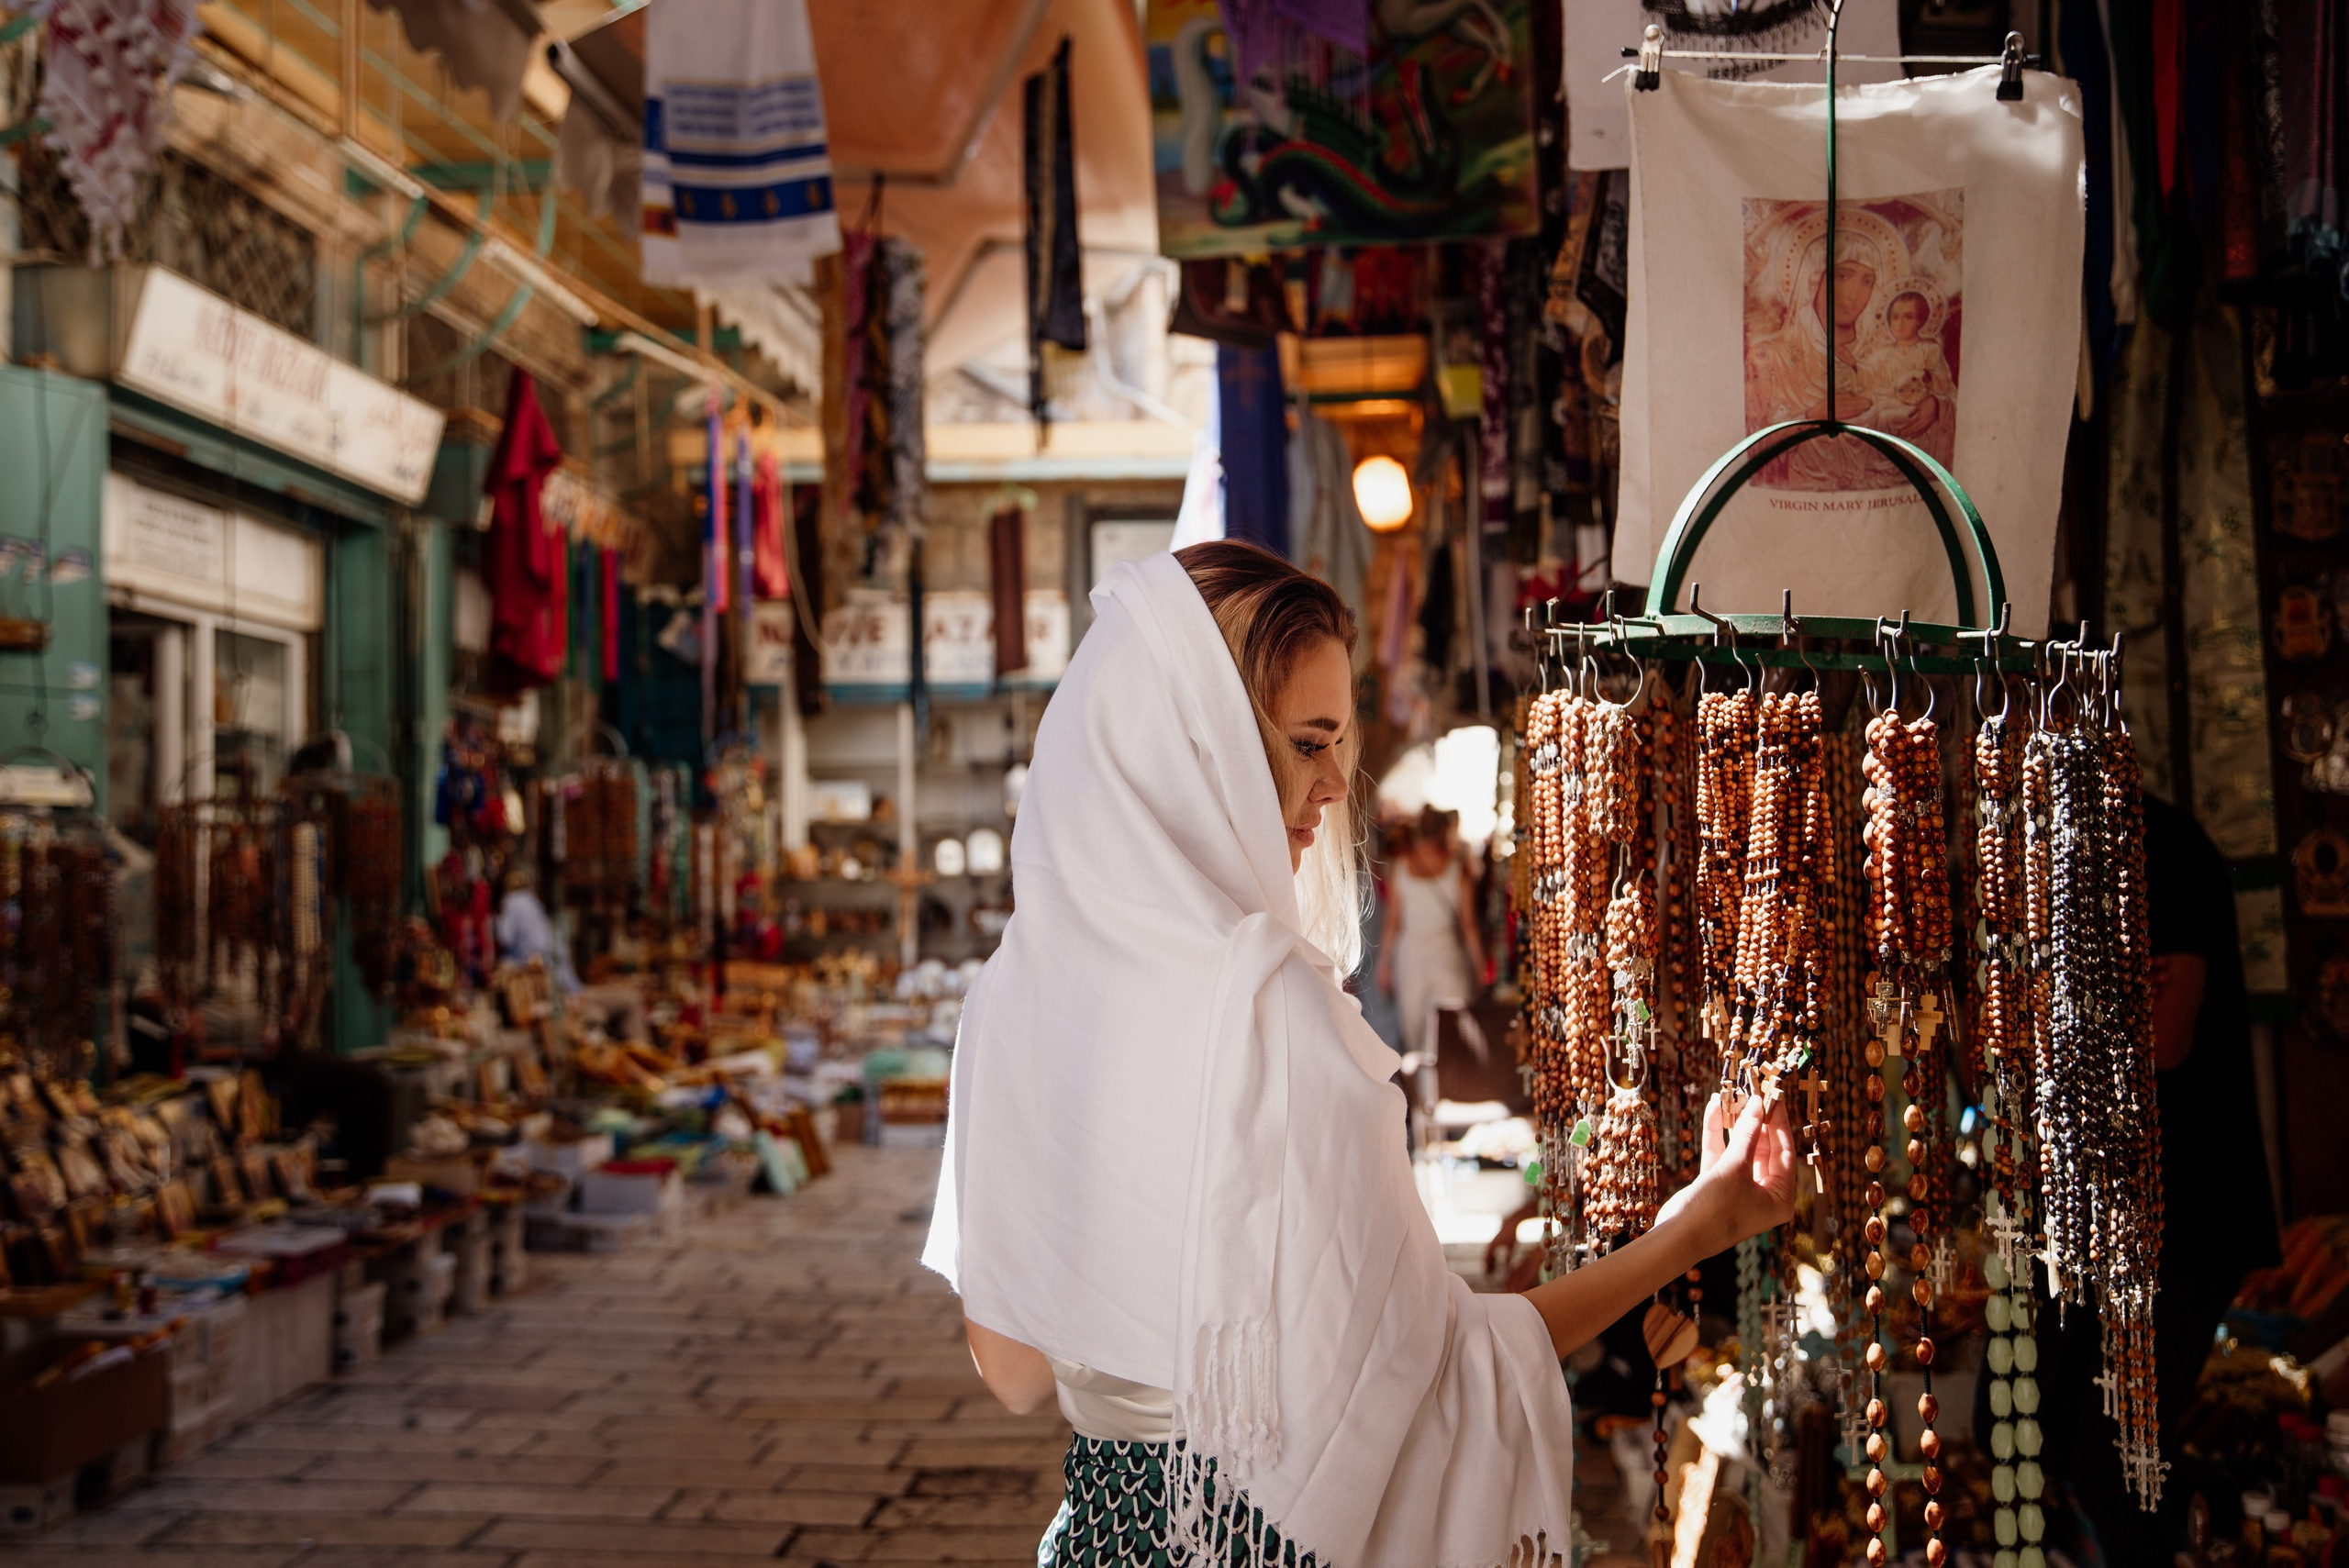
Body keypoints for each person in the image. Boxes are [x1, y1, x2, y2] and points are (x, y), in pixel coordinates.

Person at [924, 540, 1797, 1566]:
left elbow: (1019, 1370)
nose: (1338, 782)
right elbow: (1445, 1368)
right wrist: (1693, 1228)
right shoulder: (1271, 1017)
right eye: (1305, 743)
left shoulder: (1008, 1005)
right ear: (1196, 751)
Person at [2030, 795, 2280, 1562]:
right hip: (2106, 1218)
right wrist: (2106, 998)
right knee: (2047, 1434)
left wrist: (2066, 1010)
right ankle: (2221, 1520)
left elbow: (2163, 1040)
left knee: (2115, 1464)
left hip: (2183, 1217)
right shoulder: (2054, 854)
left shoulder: (2158, 846)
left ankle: (2222, 1522)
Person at [1377, 805, 1486, 1056]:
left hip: (1409, 957)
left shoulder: (1400, 867)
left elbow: (1392, 922)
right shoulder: (1458, 868)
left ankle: (1421, 1092)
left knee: (1415, 1037)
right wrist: (1480, 964)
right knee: (1448, 1036)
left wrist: (1384, 963)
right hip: (1446, 956)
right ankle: (1444, 1089)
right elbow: (1468, 925)